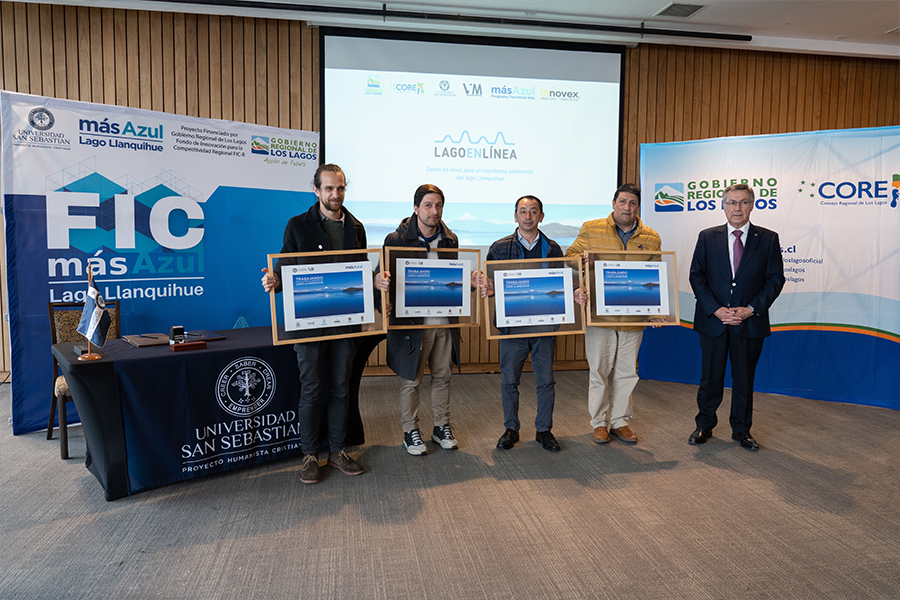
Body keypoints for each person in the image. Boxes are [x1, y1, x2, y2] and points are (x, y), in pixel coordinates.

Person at [261, 164, 389, 483]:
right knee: (312, 388)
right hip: (308, 323)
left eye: (340, 188)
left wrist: (373, 282)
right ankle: (309, 456)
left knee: (341, 387)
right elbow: (286, 267)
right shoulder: (298, 225)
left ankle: (337, 450)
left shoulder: (355, 227)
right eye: (329, 188)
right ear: (316, 190)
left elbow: (360, 272)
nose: (336, 194)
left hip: (345, 323)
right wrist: (274, 281)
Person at [687, 183, 785, 450]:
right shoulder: (707, 236)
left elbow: (775, 279)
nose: (737, 208)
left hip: (749, 322)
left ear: (752, 205)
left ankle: (741, 430)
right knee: (710, 378)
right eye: (731, 202)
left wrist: (751, 309)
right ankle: (704, 425)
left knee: (744, 380)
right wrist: (716, 309)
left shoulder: (768, 239)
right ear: (723, 205)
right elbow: (697, 276)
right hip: (713, 321)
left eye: (743, 202)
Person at [565, 184, 661, 445]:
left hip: (633, 319)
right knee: (599, 371)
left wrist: (655, 310)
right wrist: (585, 259)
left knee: (627, 373)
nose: (627, 207)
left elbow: (655, 277)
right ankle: (599, 423)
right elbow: (569, 258)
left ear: (637, 206)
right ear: (613, 203)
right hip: (600, 316)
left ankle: (620, 422)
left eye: (632, 203)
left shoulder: (652, 237)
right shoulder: (591, 228)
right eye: (622, 202)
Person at [483, 196, 569, 452]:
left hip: (544, 327)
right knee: (509, 381)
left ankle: (544, 430)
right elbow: (490, 284)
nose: (528, 216)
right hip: (512, 329)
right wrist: (485, 286)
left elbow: (559, 283)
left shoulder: (553, 248)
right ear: (515, 215)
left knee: (546, 382)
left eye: (533, 211)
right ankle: (511, 428)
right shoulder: (499, 248)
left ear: (541, 216)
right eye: (523, 211)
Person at [382, 184, 461, 456]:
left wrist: (469, 284)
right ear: (416, 208)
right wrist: (386, 306)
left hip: (444, 324)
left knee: (443, 377)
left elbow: (454, 279)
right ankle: (410, 431)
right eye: (428, 205)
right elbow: (385, 282)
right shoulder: (396, 239)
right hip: (412, 325)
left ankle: (441, 427)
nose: (434, 211)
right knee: (411, 380)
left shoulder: (450, 239)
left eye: (438, 205)